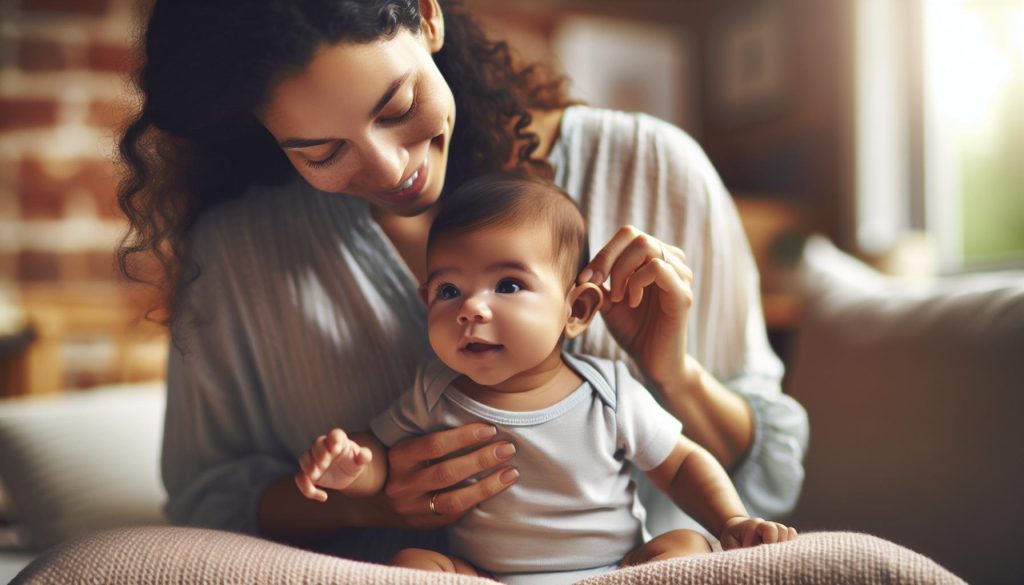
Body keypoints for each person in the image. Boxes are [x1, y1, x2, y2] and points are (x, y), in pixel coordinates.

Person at [119, 0, 807, 566]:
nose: (391, 170)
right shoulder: (240, 251)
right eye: (323, 152)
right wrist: (368, 497)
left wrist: (674, 373)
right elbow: (208, 502)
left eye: (398, 106)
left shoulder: (653, 169)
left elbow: (767, 480)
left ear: (427, 16)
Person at [294, 174, 798, 583]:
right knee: (414, 565)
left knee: (685, 546)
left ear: (577, 308)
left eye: (508, 284)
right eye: (449, 290)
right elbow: (381, 460)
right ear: (426, 301)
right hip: (488, 577)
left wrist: (730, 520)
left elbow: (683, 463)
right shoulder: (435, 391)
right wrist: (350, 468)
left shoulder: (610, 391)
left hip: (616, 572)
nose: (471, 308)